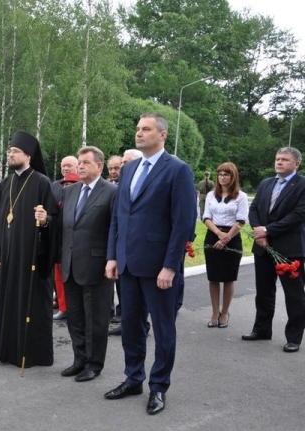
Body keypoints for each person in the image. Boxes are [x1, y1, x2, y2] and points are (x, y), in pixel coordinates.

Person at [104, 114, 195, 415]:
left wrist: (171, 266)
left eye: (146, 129)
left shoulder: (177, 170)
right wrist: (113, 256)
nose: (139, 133)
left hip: (159, 268)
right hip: (128, 265)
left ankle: (158, 386)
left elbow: (182, 223)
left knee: (164, 329)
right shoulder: (128, 170)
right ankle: (133, 378)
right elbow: (119, 217)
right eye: (137, 129)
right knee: (131, 325)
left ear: (163, 135)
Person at [0, 131, 58, 368]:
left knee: (29, 303)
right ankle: (6, 351)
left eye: (14, 151)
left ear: (28, 155)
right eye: (9, 151)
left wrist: (45, 218)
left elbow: (54, 218)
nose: (10, 154)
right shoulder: (5, 184)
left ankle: (32, 353)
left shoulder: (41, 182)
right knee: (6, 302)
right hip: (7, 256)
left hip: (31, 256)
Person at [59, 146, 116, 383]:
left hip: (97, 266)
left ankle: (94, 364)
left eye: (85, 162)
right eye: (79, 162)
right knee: (76, 318)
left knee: (96, 319)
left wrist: (112, 259)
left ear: (99, 166)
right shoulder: (70, 191)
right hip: (70, 265)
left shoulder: (111, 192)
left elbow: (116, 229)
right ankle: (79, 359)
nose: (79, 166)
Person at [243, 147, 305, 353]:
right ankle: (261, 329)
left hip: (289, 249)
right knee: (263, 292)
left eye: (284, 160)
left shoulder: (302, 185)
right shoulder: (266, 183)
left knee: (294, 296)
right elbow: (253, 210)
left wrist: (267, 231)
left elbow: (298, 215)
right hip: (263, 248)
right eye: (277, 159)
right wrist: (259, 233)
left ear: (296, 164)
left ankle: (294, 337)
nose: (279, 162)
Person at [203, 162, 248, 328]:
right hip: (213, 235)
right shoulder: (210, 195)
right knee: (213, 277)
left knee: (229, 277)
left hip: (232, 236)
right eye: (220, 174)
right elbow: (206, 217)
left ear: (233, 176)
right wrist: (218, 234)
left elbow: (241, 220)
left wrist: (226, 238)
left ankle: (225, 312)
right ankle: (215, 312)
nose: (222, 177)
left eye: (226, 174)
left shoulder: (240, 196)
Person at [108, 149, 143, 335]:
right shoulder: (121, 185)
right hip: (121, 249)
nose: (121, 167)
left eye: (125, 163)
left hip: (139, 251)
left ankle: (139, 326)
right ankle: (128, 323)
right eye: (121, 163)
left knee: (138, 298)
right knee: (124, 292)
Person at [52, 156, 79, 319]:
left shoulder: (82, 186)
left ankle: (70, 308)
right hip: (59, 238)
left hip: (76, 241)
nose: (66, 168)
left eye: (69, 165)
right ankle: (62, 306)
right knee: (59, 274)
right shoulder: (55, 185)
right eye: (63, 166)